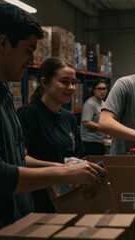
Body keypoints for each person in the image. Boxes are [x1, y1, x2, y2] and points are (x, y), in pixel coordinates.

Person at [0, 4, 104, 240]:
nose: (32, 60)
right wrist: (64, 175)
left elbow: (16, 160)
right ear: (3, 43)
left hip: (11, 227)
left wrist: (65, 167)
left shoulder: (0, 93)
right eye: (28, 50)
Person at [17, 57, 87, 213]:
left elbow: (78, 155)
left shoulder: (69, 117)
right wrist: (62, 169)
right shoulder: (29, 114)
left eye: (73, 82)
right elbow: (21, 158)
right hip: (38, 199)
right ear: (44, 82)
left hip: (67, 197)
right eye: (64, 81)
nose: (71, 87)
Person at [81, 79, 109, 155]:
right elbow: (86, 122)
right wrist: (102, 127)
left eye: (104, 89)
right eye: (99, 89)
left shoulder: (103, 103)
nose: (102, 91)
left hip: (99, 140)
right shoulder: (90, 104)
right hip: (90, 142)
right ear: (94, 90)